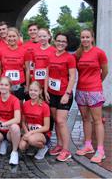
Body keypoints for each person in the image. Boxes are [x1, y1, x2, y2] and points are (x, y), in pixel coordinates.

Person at [74, 29, 108, 163]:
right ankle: (88, 145)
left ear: (92, 38)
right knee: (85, 118)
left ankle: (100, 150)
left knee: (97, 120)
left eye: (87, 37)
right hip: (81, 89)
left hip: (94, 90)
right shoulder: (78, 53)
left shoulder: (99, 52)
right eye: (83, 37)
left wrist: (97, 82)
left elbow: (105, 71)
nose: (85, 40)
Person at [45, 33, 76, 162]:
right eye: (58, 41)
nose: (60, 43)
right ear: (54, 41)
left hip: (64, 94)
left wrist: (67, 94)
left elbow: (73, 77)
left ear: (67, 44)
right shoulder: (50, 55)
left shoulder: (69, 58)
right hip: (52, 93)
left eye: (63, 41)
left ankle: (66, 150)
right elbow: (47, 74)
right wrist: (46, 90)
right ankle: (58, 145)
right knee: (56, 120)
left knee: (61, 121)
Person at [0, 27, 31, 101]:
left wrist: (27, 85)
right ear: (6, 37)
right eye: (9, 36)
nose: (11, 39)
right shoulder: (0, 50)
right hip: (5, 85)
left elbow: (27, 69)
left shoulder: (25, 51)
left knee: (19, 108)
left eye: (14, 36)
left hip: (19, 84)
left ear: (18, 37)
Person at [19, 81, 51, 160]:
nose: (33, 92)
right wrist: (26, 132)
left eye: (35, 91)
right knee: (21, 146)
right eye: (31, 90)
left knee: (31, 139)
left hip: (42, 133)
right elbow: (23, 122)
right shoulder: (25, 104)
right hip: (30, 132)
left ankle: (44, 147)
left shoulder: (45, 106)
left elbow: (47, 127)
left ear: (40, 91)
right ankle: (32, 146)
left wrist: (31, 133)